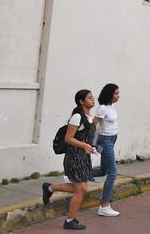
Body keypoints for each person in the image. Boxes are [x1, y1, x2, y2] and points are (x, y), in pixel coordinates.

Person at [42, 90, 97, 230]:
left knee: (80, 188)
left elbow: (86, 137)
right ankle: (70, 221)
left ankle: (50, 187)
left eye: (93, 97)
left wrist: (91, 147)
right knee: (81, 189)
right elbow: (68, 138)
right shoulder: (77, 117)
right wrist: (84, 145)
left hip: (83, 157)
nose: (93, 99)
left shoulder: (88, 117)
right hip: (74, 157)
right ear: (81, 101)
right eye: (89, 98)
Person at [91, 83, 120, 217]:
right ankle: (104, 206)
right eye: (116, 93)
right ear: (109, 94)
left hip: (112, 139)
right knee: (112, 173)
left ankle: (73, 175)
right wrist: (91, 143)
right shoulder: (102, 108)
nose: (118, 95)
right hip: (105, 141)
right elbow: (93, 125)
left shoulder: (111, 106)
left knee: (103, 170)